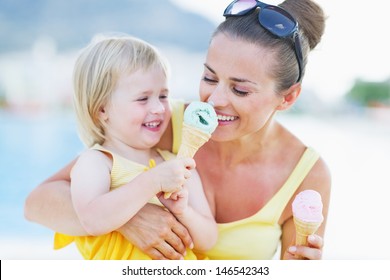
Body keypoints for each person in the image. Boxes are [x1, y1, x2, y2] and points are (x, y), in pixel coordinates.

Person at [25, 0, 330, 260]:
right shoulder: (162, 122)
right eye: (210, 78)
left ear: (288, 97)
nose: (214, 101)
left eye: (240, 90)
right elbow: (37, 203)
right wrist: (128, 218)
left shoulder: (308, 175)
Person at [50, 34, 217, 260]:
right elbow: (92, 220)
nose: (158, 108)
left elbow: (208, 240)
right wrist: (151, 182)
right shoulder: (96, 162)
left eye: (163, 95)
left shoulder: (177, 165)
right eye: (142, 99)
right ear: (102, 109)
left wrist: (184, 212)